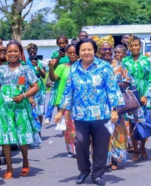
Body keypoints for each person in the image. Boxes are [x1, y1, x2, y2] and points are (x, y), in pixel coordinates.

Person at [54, 38, 124, 186]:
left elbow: (112, 89)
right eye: (83, 50)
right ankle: (84, 170)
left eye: (89, 50)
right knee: (80, 143)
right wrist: (61, 111)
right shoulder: (74, 69)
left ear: (94, 51)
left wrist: (114, 110)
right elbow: (67, 92)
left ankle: (97, 174)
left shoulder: (104, 67)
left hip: (102, 114)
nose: (86, 52)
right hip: (80, 115)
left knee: (101, 146)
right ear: (79, 52)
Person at [0, 40, 40, 180]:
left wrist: (24, 96)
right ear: (6, 54)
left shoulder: (25, 69)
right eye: (9, 51)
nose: (12, 54)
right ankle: (9, 167)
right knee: (6, 137)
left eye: (15, 51)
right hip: (4, 107)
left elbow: (35, 86)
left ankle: (25, 160)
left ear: (20, 53)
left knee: (21, 136)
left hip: (20, 106)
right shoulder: (2, 69)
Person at [97, 35, 132, 170]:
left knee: (116, 131)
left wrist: (117, 85)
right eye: (104, 49)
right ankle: (102, 159)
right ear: (99, 50)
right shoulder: (95, 65)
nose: (107, 51)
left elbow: (129, 80)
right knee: (101, 132)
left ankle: (114, 159)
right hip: (99, 104)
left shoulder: (119, 65)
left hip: (117, 104)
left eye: (109, 49)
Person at [122, 35, 151, 161]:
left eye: (136, 45)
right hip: (130, 93)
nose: (134, 47)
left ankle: (143, 148)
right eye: (132, 45)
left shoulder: (146, 61)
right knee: (131, 122)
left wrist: (146, 95)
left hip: (143, 93)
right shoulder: (125, 61)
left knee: (143, 121)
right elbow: (122, 78)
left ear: (140, 46)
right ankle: (135, 150)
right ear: (129, 47)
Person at [48, 44, 78, 157]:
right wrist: (51, 68)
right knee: (69, 127)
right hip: (64, 101)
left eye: (74, 52)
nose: (72, 54)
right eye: (69, 52)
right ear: (66, 53)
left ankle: (81, 148)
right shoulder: (62, 66)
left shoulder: (82, 66)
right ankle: (71, 149)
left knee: (79, 127)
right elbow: (53, 78)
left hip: (80, 101)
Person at [44, 35, 69, 124]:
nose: (62, 45)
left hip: (67, 78)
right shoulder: (55, 54)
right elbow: (53, 66)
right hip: (57, 78)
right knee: (55, 97)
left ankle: (66, 119)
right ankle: (49, 117)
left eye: (63, 43)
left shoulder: (70, 52)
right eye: (60, 43)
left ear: (67, 43)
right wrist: (58, 57)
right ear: (57, 44)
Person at [26, 43, 46, 130]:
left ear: (37, 52)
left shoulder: (40, 62)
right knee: (31, 109)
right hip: (29, 87)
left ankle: (39, 130)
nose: (33, 54)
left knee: (40, 111)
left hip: (39, 87)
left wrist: (38, 67)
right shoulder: (25, 63)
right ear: (28, 52)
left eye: (34, 52)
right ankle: (32, 129)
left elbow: (44, 76)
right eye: (30, 53)